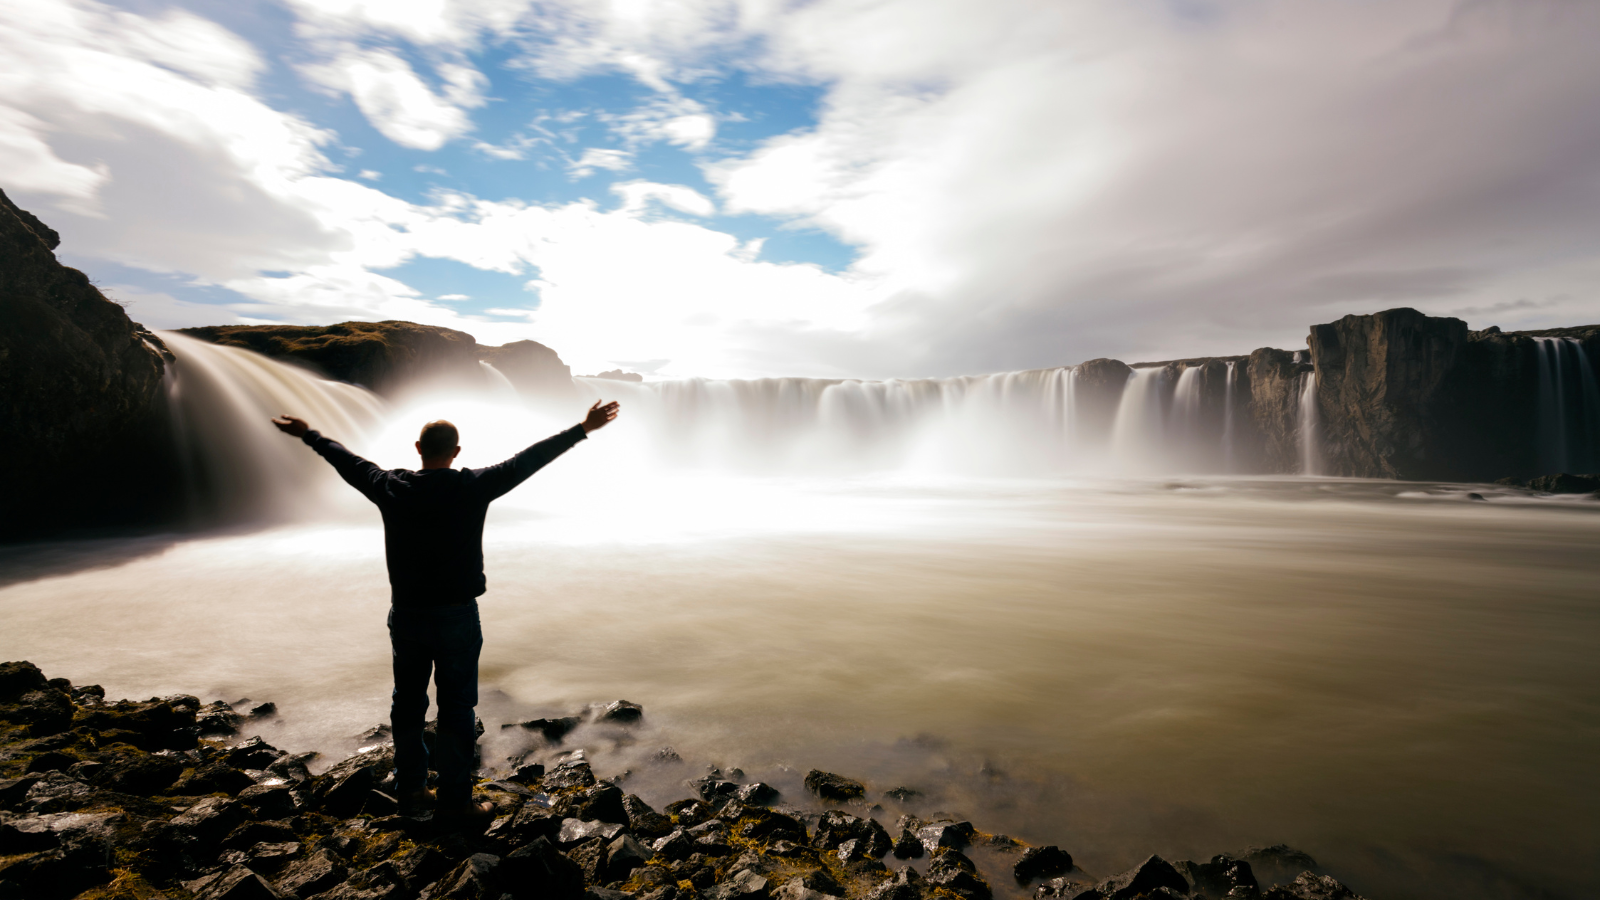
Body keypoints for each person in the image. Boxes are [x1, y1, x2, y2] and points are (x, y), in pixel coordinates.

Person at [271, 400, 620, 824]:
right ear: (456, 452)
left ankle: (412, 792)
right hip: (456, 616)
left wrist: (309, 434)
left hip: (408, 615)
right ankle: (456, 803)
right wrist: (582, 427)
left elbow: (347, 462)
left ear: (418, 448)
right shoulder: (472, 485)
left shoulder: (390, 486)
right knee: (456, 709)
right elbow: (527, 460)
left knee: (407, 704)